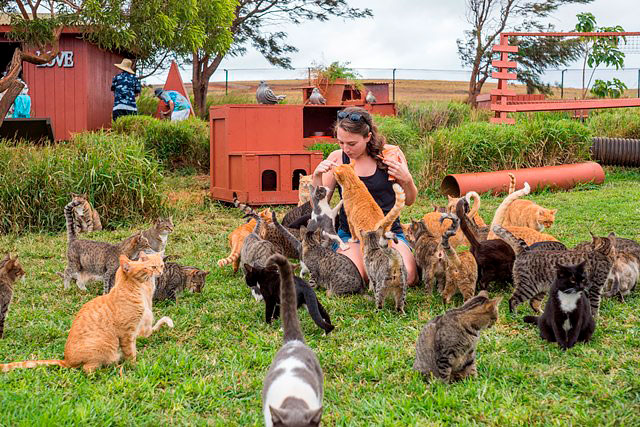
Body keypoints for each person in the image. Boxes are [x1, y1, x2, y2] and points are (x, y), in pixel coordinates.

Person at [312, 106, 418, 285]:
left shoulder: (390, 155)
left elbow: (410, 200)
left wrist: (407, 179)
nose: (345, 148)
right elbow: (319, 207)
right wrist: (317, 177)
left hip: (388, 233)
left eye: (352, 144)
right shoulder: (338, 158)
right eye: (341, 142)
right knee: (357, 276)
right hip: (352, 236)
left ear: (368, 137)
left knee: (406, 276)